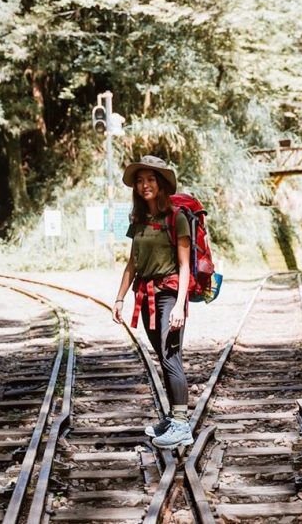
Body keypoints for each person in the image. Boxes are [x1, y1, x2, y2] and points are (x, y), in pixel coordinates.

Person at [112, 155, 194, 449]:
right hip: (144, 295)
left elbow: (185, 266)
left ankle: (182, 426)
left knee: (171, 357)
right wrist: (119, 298)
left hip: (169, 294)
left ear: (160, 184)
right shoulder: (139, 221)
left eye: (150, 179)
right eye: (140, 180)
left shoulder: (177, 218)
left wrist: (179, 304)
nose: (144, 185)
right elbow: (132, 264)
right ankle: (173, 418)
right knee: (162, 354)